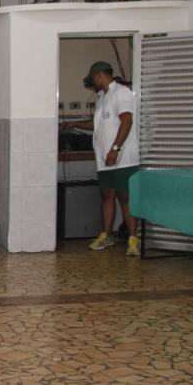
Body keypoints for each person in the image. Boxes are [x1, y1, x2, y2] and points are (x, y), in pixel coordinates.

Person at [63, 61, 141, 256]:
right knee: (107, 195)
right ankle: (106, 234)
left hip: (123, 158)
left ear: (100, 75)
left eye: (93, 79)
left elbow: (127, 121)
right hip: (104, 159)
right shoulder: (102, 97)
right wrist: (74, 124)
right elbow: (98, 125)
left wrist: (115, 149)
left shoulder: (121, 93)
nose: (93, 83)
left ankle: (133, 239)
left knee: (125, 197)